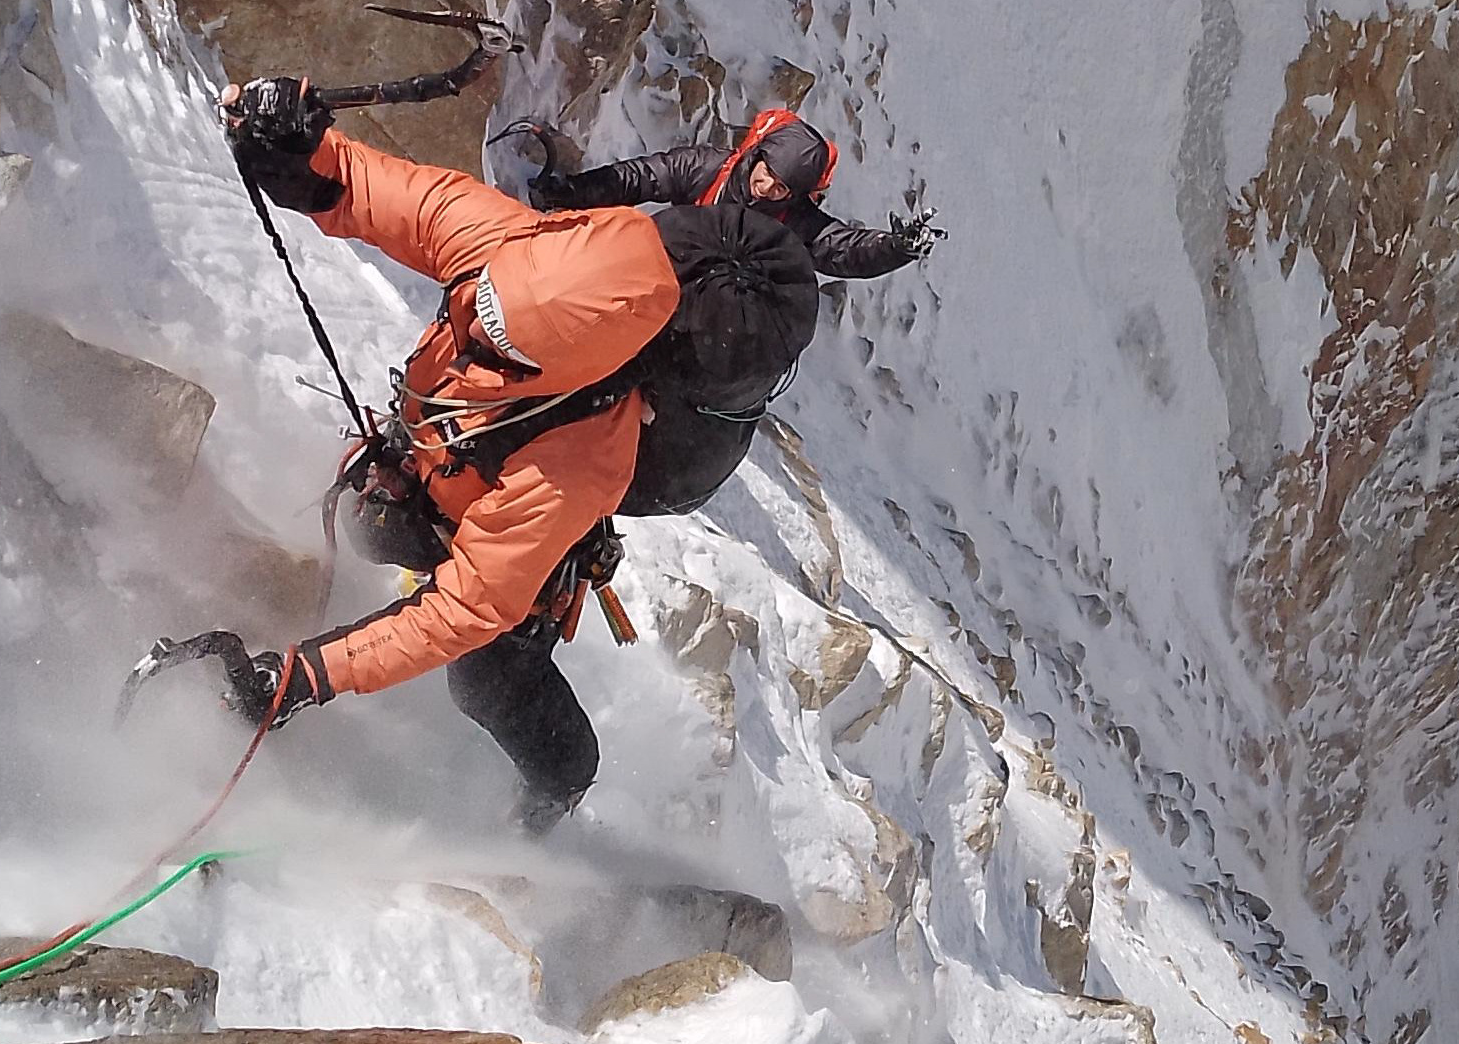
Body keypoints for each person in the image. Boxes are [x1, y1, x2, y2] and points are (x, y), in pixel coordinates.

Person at [213, 75, 812, 831]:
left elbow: (468, 606)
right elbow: (374, 190)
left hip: (505, 524)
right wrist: (294, 151)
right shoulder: (512, 243)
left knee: (488, 679)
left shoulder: (582, 457)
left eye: (510, 353)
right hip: (440, 463)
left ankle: (561, 782)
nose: (479, 342)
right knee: (369, 526)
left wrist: (310, 675)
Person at [525, 108, 940, 279]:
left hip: (717, 306)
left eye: (782, 188)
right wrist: (570, 193)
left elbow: (842, 248)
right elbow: (640, 178)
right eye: (768, 173)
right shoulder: (706, 168)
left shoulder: (794, 219)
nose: (768, 188)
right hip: (657, 268)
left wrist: (894, 248)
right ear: (757, 154)